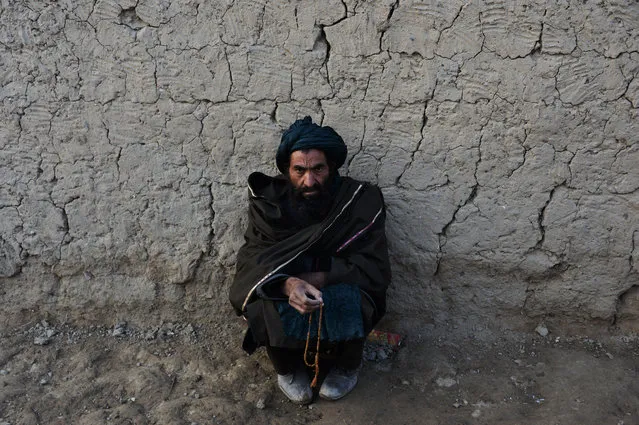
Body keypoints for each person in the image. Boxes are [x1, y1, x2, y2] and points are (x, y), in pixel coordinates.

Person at [229, 116, 391, 404]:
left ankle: (347, 366)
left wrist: (322, 277)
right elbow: (254, 262)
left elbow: (374, 266)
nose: (310, 180)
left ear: (332, 168)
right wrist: (288, 285)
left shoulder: (360, 201)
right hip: (288, 282)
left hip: (339, 278)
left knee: (353, 298)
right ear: (286, 170)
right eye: (299, 170)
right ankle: (287, 369)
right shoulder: (270, 205)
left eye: (318, 169)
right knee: (263, 298)